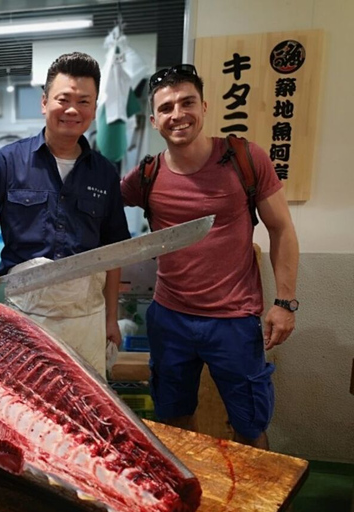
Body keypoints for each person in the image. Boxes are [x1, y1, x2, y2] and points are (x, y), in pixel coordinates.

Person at [120, 64, 299, 449]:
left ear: (204, 107)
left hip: (234, 321)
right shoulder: (146, 175)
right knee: (173, 419)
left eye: (187, 102)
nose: (177, 114)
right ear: (154, 120)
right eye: (166, 108)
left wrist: (285, 302)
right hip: (169, 318)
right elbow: (95, 205)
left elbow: (282, 229)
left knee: (250, 426)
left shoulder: (244, 158)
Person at [0, 52, 130, 378]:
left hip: (86, 320)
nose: (73, 109)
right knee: (27, 404)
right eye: (63, 99)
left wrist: (110, 319)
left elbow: (113, 253)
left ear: (94, 110)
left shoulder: (104, 173)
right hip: (26, 317)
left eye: (84, 101)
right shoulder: (9, 161)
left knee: (84, 410)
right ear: (45, 102)